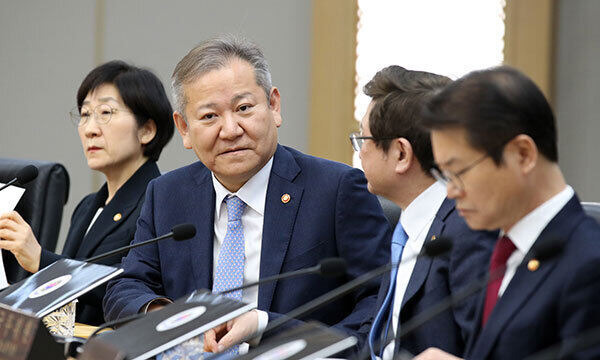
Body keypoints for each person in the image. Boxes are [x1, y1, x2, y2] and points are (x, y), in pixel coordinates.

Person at [103, 35, 391, 354]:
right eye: (209, 116)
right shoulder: (167, 194)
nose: (230, 130)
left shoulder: (336, 190)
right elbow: (125, 286)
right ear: (183, 128)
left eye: (243, 108)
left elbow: (379, 307)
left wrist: (266, 325)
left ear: (273, 106)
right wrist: (169, 319)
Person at [413, 66, 600, 360]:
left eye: (458, 172)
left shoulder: (589, 263)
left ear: (523, 154)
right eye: (444, 175)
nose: (450, 192)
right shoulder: (505, 249)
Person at [0, 60, 174, 325]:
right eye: (84, 114)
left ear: (147, 130)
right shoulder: (87, 206)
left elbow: (130, 288)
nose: (91, 129)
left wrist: (41, 259)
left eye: (106, 113)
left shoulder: (161, 202)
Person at [352, 66, 495, 359]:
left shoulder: (468, 232)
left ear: (401, 154)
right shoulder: (407, 227)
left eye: (363, 139)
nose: (359, 151)